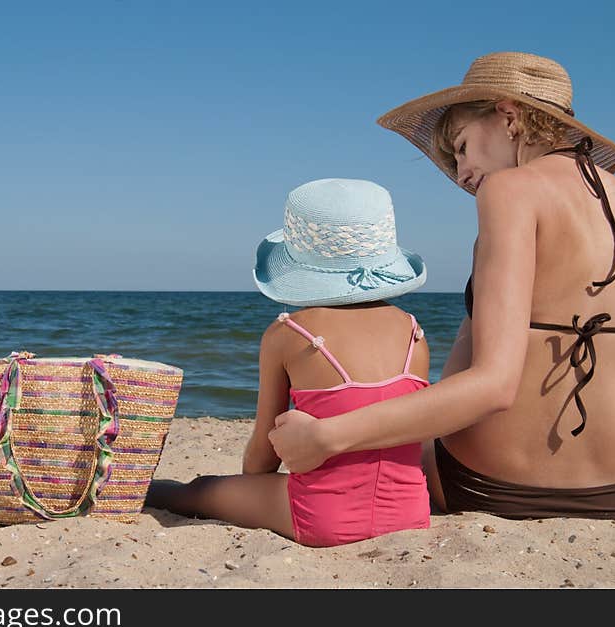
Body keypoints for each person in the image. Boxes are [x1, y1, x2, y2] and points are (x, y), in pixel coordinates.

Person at [267, 52, 615, 521]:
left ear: (508, 115)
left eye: (460, 146)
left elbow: (495, 386)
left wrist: (329, 435)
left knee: (336, 475)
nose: (460, 173)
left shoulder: (513, 190)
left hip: (493, 486)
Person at [145, 178, 431, 547]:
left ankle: (140, 492)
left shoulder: (290, 333)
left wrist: (251, 483)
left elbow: (265, 453)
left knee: (200, 491)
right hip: (409, 512)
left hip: (322, 516)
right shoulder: (414, 333)